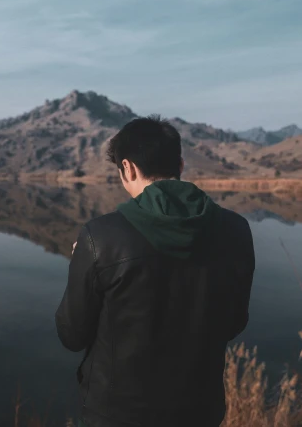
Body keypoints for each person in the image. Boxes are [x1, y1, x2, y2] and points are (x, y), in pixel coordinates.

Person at [55, 115, 256, 427]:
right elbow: (234, 323)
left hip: (115, 415)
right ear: (181, 164)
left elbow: (71, 334)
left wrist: (83, 265)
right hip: (201, 412)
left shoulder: (101, 236)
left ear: (128, 168)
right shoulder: (237, 230)